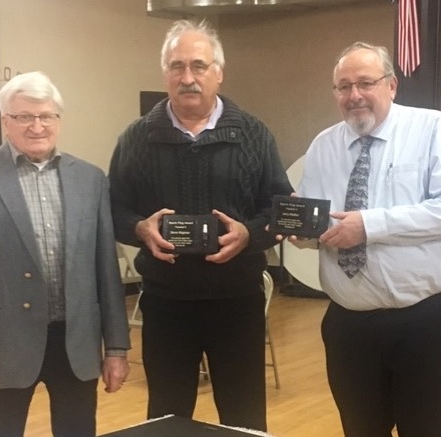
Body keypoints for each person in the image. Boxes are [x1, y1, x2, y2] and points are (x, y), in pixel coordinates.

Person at [108, 19, 292, 432]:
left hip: (237, 301)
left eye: (198, 66)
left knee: (244, 417)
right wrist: (139, 229)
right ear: (165, 73)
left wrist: (249, 235)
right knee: (167, 417)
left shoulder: (254, 134)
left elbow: (279, 209)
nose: (187, 78)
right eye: (177, 67)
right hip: (165, 303)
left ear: (219, 72)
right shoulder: (136, 138)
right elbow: (114, 210)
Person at [0, 71, 131, 437]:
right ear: (5, 121)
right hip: (2, 349)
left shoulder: (90, 178)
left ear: (58, 120)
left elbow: (106, 273)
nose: (36, 126)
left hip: (76, 345)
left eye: (46, 116)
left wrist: (116, 348)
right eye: (24, 116)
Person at [289, 42, 441, 436]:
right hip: (348, 327)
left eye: (365, 83)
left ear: (391, 85)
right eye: (343, 86)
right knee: (360, 430)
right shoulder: (323, 145)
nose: (354, 95)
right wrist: (302, 232)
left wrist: (369, 225)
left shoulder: (432, 129)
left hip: (423, 325)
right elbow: (316, 218)